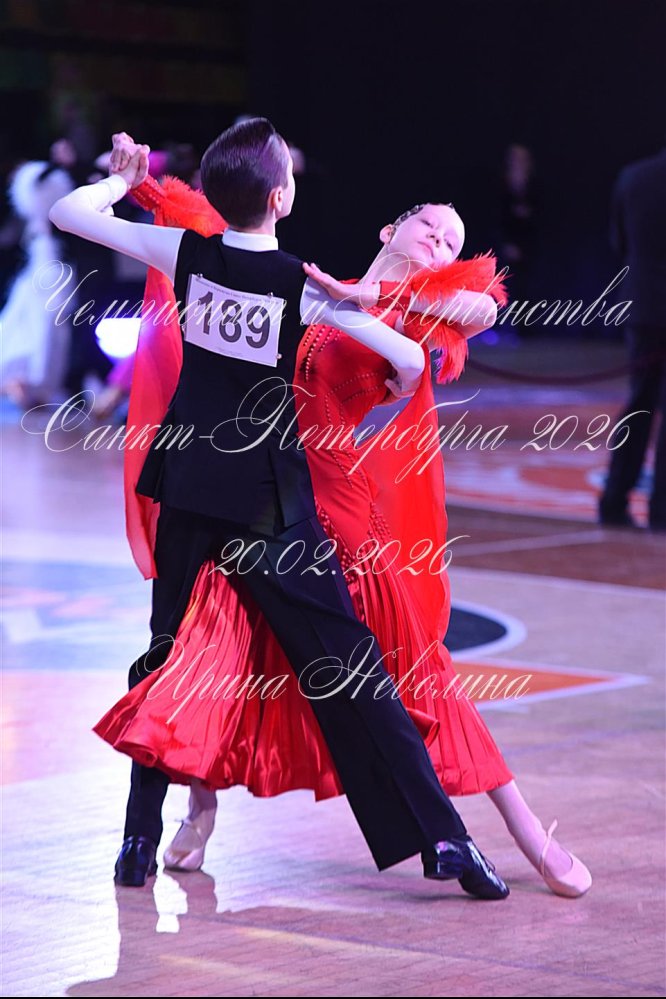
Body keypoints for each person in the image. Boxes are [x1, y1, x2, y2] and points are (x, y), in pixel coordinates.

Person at [93, 133, 591, 899]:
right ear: (391, 228)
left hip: (339, 524)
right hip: (257, 494)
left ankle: (518, 834)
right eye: (430, 225)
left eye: (453, 241)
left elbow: (480, 306)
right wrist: (144, 187)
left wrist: (382, 300)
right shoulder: (310, 282)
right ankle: (187, 814)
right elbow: (218, 232)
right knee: (202, 655)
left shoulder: (418, 317)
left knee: (415, 681)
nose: (441, 241)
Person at [598, 146, 666, 531]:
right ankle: (663, 509)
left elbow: (618, 242)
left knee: (639, 402)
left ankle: (614, 499)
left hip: (642, 305)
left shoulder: (634, 176)